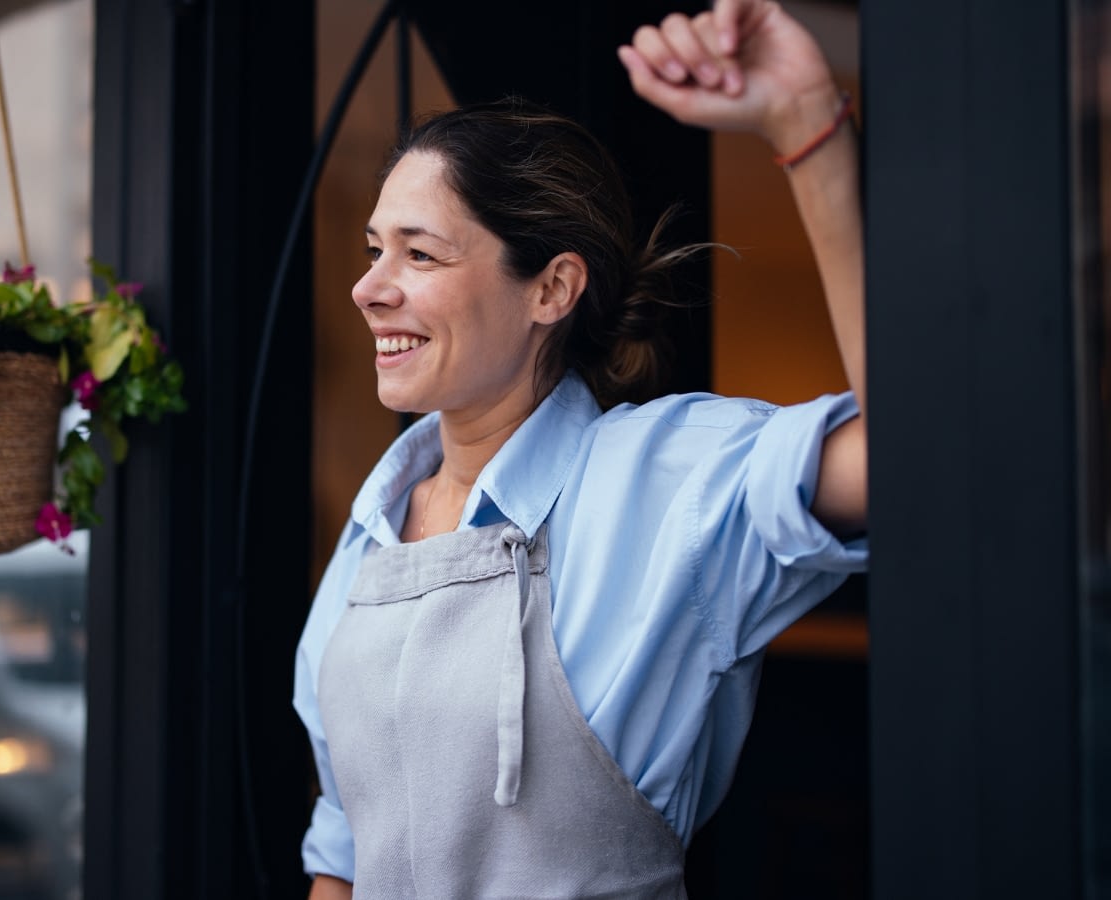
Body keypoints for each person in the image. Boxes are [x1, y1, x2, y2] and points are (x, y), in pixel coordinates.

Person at [295, 1, 867, 896]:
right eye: (375, 250)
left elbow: (913, 463)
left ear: (552, 288)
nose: (369, 287)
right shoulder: (371, 534)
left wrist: (807, 130)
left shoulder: (666, 480)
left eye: (421, 255)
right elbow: (342, 857)